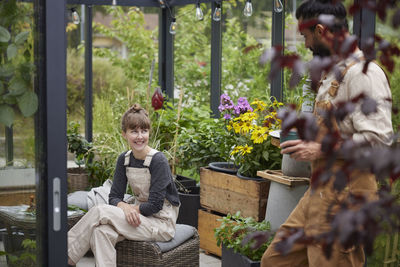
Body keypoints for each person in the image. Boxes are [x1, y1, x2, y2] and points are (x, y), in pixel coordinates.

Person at [261, 0, 393, 266]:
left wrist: (319, 148)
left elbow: (379, 140)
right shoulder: (336, 72)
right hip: (320, 190)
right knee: (276, 261)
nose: (306, 44)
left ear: (321, 31)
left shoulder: (364, 74)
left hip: (347, 195)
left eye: (306, 36)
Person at [68, 104, 180, 267]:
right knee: (101, 232)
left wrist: (130, 209)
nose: (140, 136)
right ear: (124, 134)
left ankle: (66, 257)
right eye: (134, 131)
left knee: (99, 210)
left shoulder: (158, 160)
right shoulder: (124, 159)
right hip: (138, 217)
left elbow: (155, 205)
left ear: (149, 132)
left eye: (144, 131)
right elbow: (114, 197)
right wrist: (125, 208)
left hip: (160, 223)